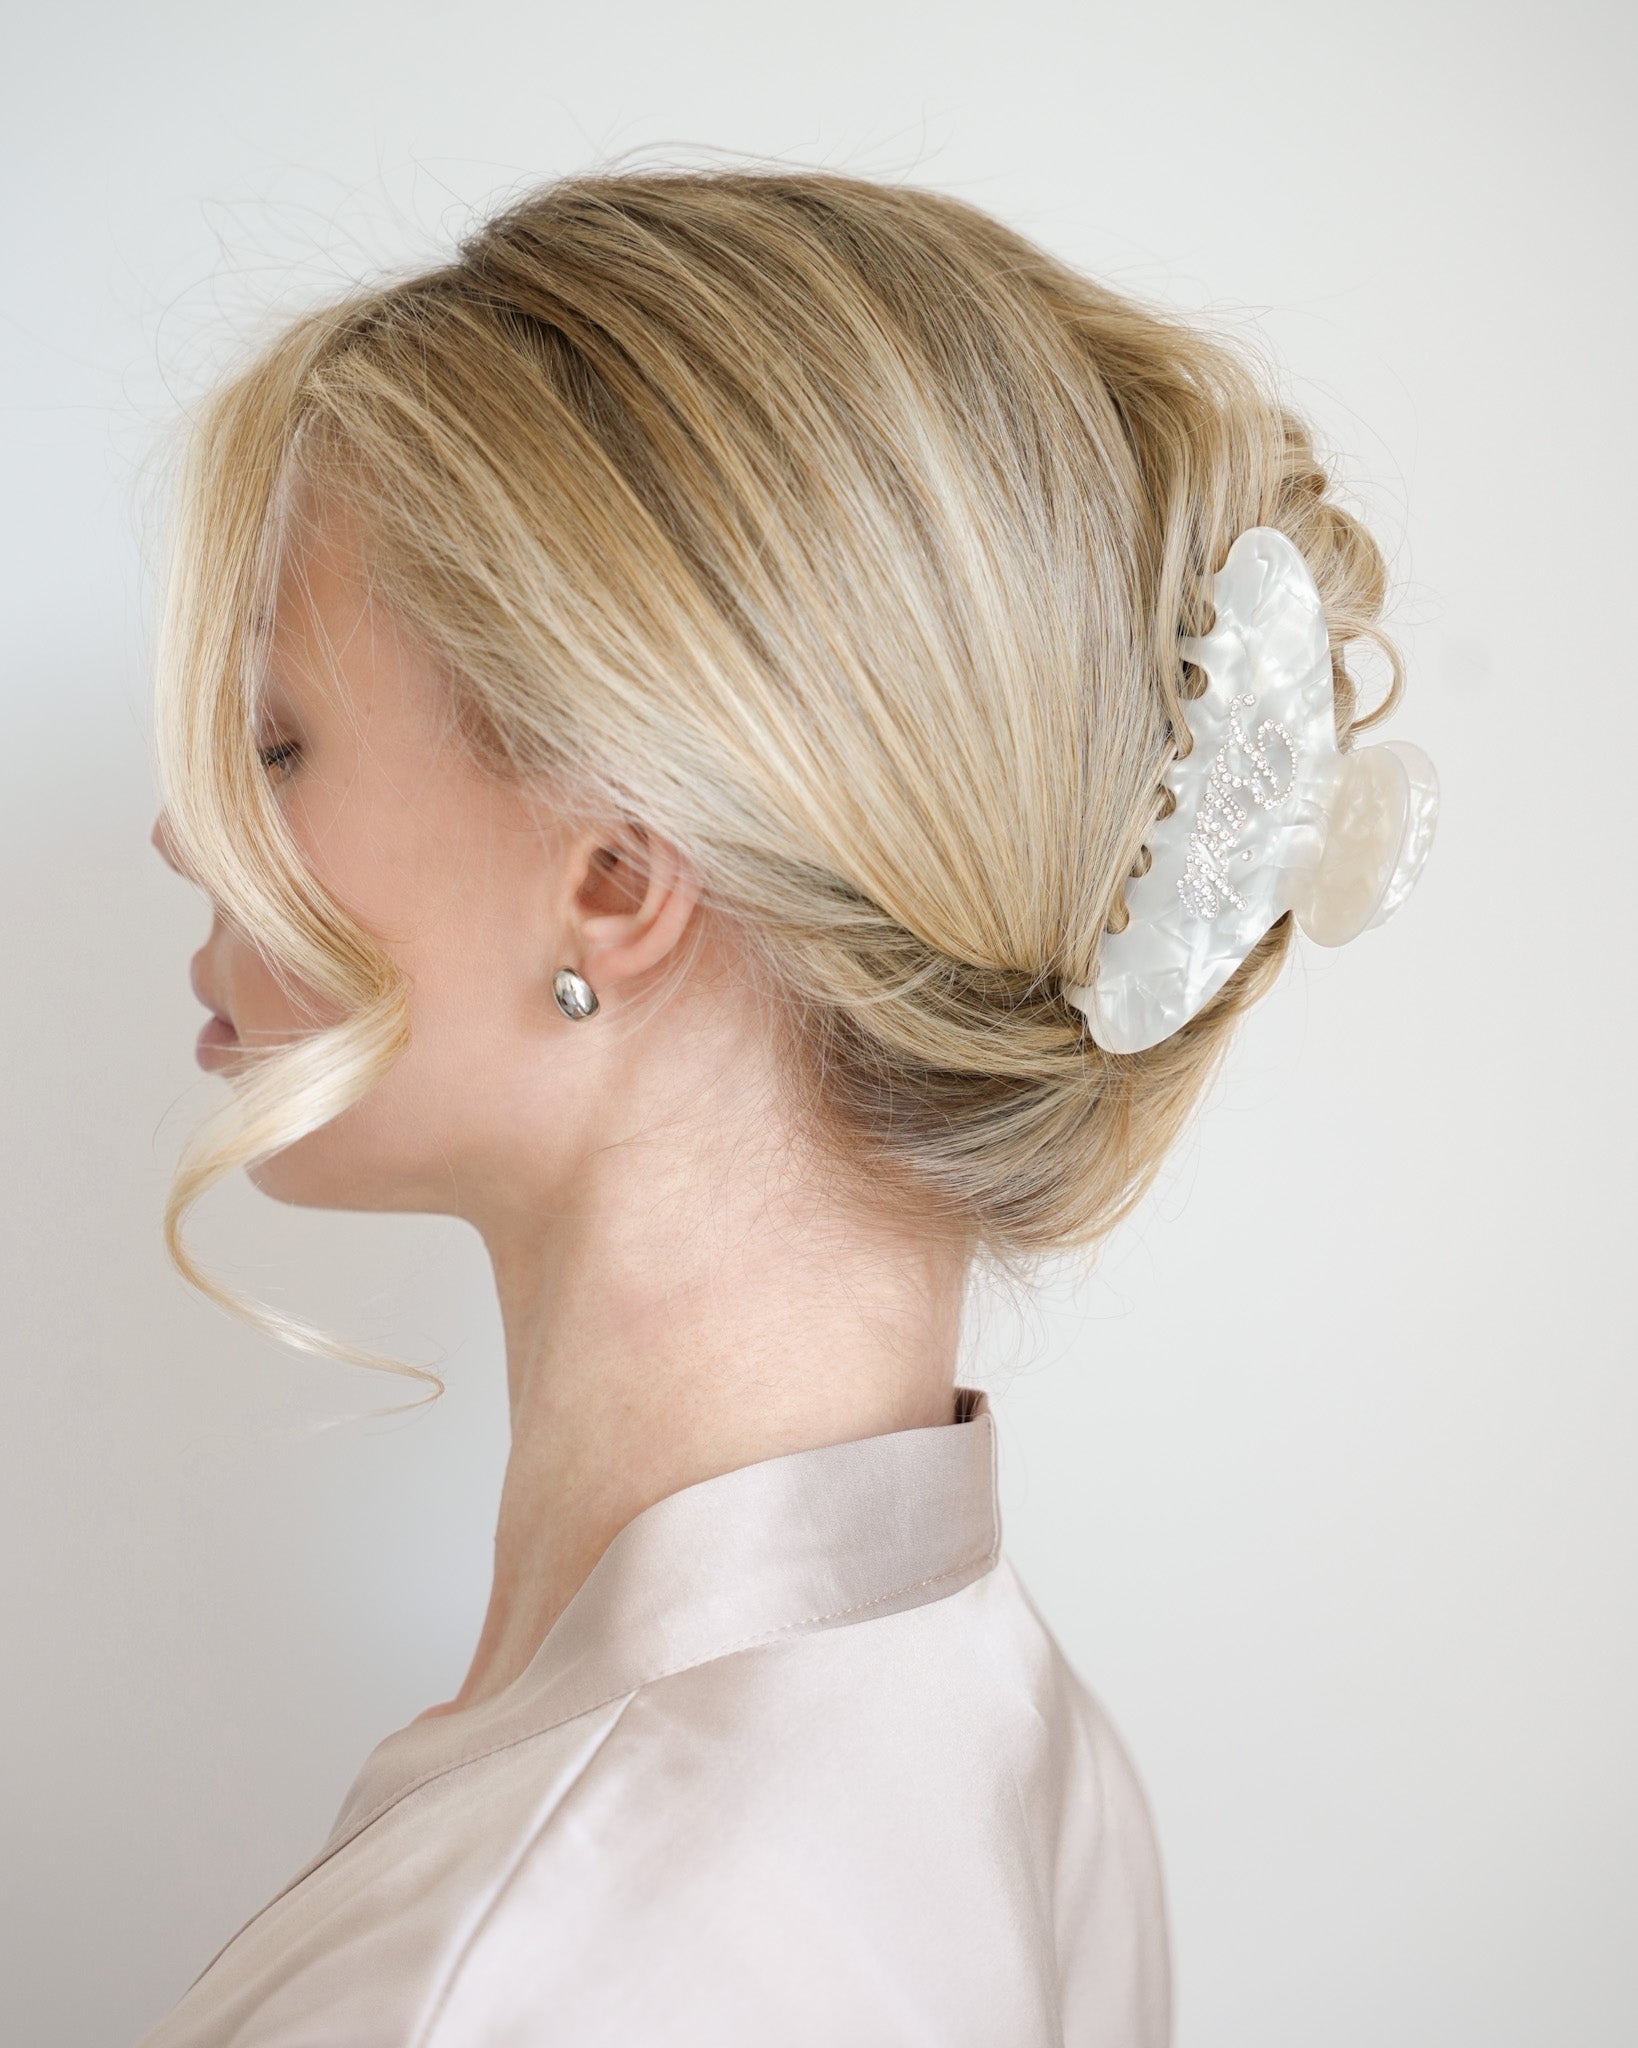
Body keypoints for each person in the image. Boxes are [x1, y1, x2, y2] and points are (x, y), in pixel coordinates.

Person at [140, 165, 1435, 2047]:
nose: (186, 831)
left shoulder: (539, 1973)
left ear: (613, 880)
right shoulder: (1020, 1748)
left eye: (277, 742)